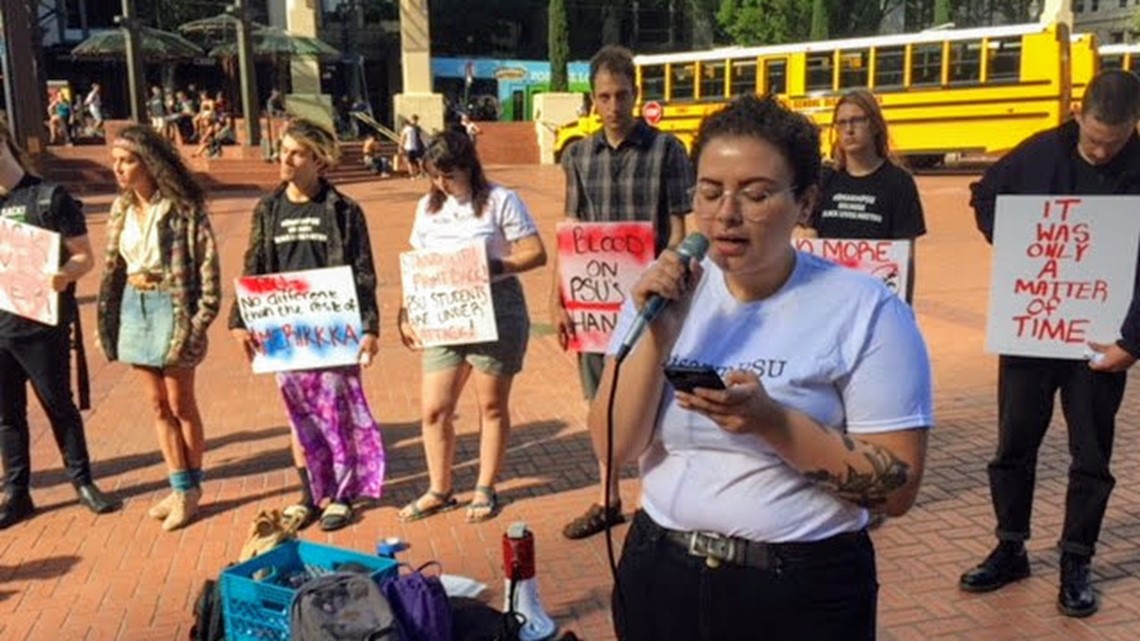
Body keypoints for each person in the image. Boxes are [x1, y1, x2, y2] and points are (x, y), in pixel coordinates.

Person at [591, 93, 932, 640]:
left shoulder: (867, 310)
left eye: (755, 194)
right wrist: (657, 335)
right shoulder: (665, 292)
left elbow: (896, 487)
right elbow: (613, 448)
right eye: (709, 191)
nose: (726, 213)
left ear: (805, 203)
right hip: (660, 571)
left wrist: (772, 422)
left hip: (800, 591)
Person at [960, 69, 1140, 618]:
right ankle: (1010, 545)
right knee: (1013, 447)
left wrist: (1134, 341)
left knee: (1091, 456)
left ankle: (1076, 559)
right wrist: (1017, 245)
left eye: (1114, 142)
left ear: (1135, 126)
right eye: (1092, 138)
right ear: (1077, 116)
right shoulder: (1039, 152)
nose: (1101, 150)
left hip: (1102, 344)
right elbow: (983, 194)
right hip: (1030, 332)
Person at [552, 45, 694, 540]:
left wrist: (666, 278)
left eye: (622, 95)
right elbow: (570, 232)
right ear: (592, 100)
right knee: (601, 399)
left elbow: (678, 228)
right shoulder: (577, 155)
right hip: (593, 298)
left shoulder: (667, 149)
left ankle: (653, 502)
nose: (614, 106)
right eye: (604, 97)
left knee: (651, 398)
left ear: (637, 95)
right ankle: (607, 497)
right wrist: (560, 297)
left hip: (649, 299)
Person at [229, 119, 384, 532]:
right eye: (283, 150)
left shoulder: (344, 210)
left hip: (333, 331)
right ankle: (311, 494)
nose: (285, 158)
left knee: (336, 411)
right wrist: (239, 321)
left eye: (296, 152)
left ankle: (343, 494)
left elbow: (364, 271)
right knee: (298, 416)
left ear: (318, 159)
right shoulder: (268, 208)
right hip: (285, 334)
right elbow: (254, 265)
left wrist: (370, 327)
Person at [395, 130, 547, 524]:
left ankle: (485, 486)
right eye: (434, 176)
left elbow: (535, 252)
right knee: (434, 409)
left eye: (449, 176)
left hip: (495, 310)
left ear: (468, 168)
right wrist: (406, 312)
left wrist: (498, 266)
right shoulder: (426, 208)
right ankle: (439, 489)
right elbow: (419, 264)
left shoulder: (500, 200)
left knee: (491, 405)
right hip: (444, 313)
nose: (441, 184)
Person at [96, 125, 221, 532]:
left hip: (174, 304)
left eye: (128, 161)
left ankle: (191, 489)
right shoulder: (120, 209)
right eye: (115, 162)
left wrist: (200, 318)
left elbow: (208, 269)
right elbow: (114, 269)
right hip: (136, 303)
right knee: (156, 405)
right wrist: (109, 320)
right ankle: (178, 485)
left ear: (149, 162)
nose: (119, 169)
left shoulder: (183, 207)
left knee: (180, 402)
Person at [0, 119, 122, 530]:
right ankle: (17, 492)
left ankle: (82, 480)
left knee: (58, 405)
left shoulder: (48, 197)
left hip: (41, 323)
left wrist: (64, 274)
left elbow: (83, 256)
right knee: (7, 414)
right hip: (0, 327)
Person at [806, 88, 925, 302]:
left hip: (873, 299)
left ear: (875, 125)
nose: (849, 130)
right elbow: (802, 228)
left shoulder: (899, 183)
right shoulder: (824, 178)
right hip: (825, 297)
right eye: (841, 123)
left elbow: (905, 255)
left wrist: (904, 308)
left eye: (857, 120)